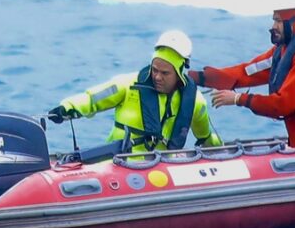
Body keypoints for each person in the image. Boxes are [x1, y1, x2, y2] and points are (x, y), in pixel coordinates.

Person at [48, 29, 219, 155]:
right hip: (120, 163)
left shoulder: (195, 101)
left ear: (180, 71)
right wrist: (67, 108)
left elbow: (206, 138)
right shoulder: (128, 84)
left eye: (165, 73)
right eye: (155, 70)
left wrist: (224, 155)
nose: (158, 77)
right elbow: (92, 99)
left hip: (162, 169)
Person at [199, 7, 295, 147]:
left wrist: (238, 99)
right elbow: (247, 72)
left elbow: (282, 104)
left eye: (278, 21)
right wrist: (200, 78)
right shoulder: (283, 52)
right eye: (274, 20)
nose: (273, 27)